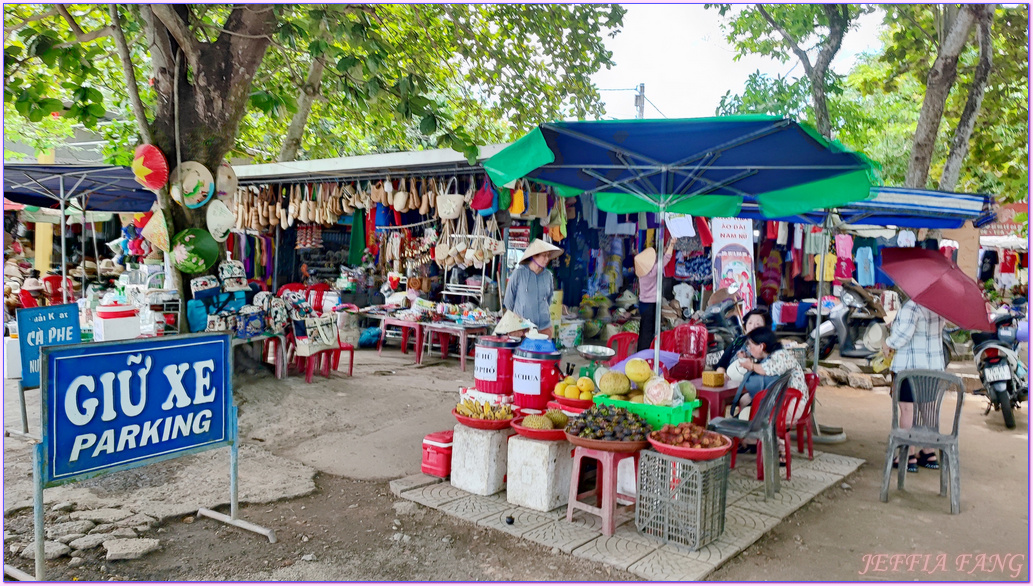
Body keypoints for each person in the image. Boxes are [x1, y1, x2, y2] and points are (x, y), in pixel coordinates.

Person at [881, 297, 947, 473]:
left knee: (907, 410)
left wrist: (887, 343)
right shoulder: (938, 306)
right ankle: (929, 452)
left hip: (910, 367)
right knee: (927, 409)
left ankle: (908, 454)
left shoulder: (911, 307)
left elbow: (903, 335)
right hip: (933, 367)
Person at [734, 327, 808, 464]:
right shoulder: (770, 356)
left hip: (792, 405)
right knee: (745, 400)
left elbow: (765, 369)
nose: (748, 348)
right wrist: (750, 359)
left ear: (762, 346)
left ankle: (781, 450)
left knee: (765, 416)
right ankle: (750, 441)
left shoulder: (780, 355)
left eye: (750, 345)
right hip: (780, 400)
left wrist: (750, 365)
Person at [504, 239, 562, 337]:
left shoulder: (548, 275)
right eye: (544, 255)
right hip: (522, 329)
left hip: (543, 328)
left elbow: (548, 299)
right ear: (534, 256)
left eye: (548, 255)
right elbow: (508, 301)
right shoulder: (519, 273)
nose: (547, 259)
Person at [634, 238, 676, 352]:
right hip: (650, 305)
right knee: (648, 332)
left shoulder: (642, 274)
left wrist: (664, 251)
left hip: (643, 304)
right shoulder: (652, 272)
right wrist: (672, 244)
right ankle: (646, 353)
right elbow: (666, 259)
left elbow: (658, 261)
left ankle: (641, 352)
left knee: (643, 330)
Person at [715, 308, 772, 376]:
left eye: (758, 324)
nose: (753, 327)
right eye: (750, 323)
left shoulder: (769, 349)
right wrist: (722, 374)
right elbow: (721, 364)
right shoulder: (739, 341)